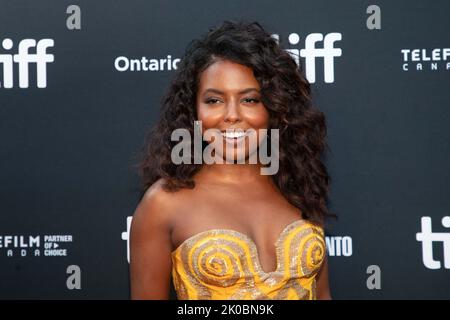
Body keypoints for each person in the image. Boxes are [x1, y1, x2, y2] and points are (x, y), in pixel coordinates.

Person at [130, 20, 334, 300]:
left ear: (275, 106)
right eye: (214, 100)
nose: (231, 115)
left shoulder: (298, 185)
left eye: (249, 99)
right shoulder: (163, 203)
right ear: (193, 110)